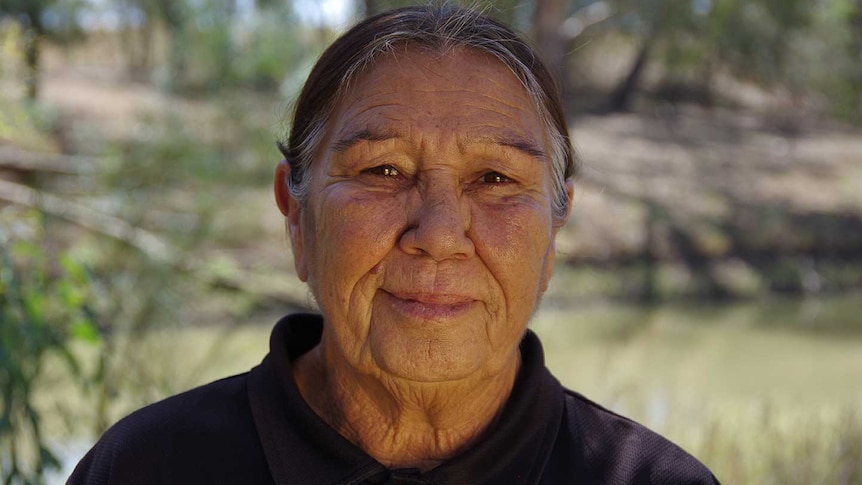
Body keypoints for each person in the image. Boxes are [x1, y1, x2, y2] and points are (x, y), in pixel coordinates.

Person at [69, 5, 720, 484]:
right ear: (297, 216)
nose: (438, 235)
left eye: (494, 179)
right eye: (383, 171)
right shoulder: (150, 466)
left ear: (554, 233)